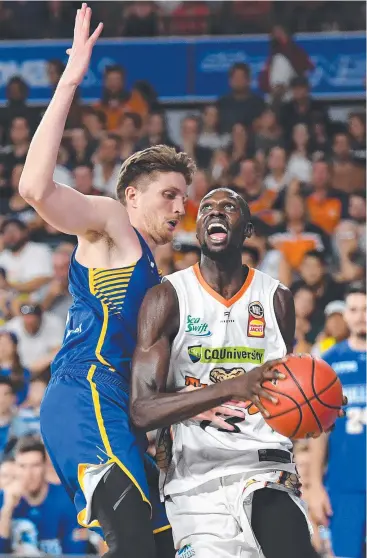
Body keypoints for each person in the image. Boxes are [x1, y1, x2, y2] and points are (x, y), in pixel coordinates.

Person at [18, 4, 195, 558]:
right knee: (137, 542)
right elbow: (35, 189)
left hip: (117, 405)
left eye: (184, 197)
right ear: (132, 195)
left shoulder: (152, 269)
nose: (180, 207)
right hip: (85, 390)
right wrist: (71, 80)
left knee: (164, 543)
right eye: (169, 194)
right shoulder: (115, 226)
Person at [131, 188, 346, 558]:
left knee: (291, 548)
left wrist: (315, 408)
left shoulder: (277, 298)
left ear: (246, 229)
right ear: (198, 231)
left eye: (229, 207)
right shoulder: (168, 297)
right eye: (207, 209)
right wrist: (235, 386)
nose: (216, 212)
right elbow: (142, 410)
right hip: (192, 479)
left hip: (262, 464)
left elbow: (291, 388)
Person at [307, 285, 366, 558]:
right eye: (354, 310)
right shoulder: (329, 363)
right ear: (345, 315)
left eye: (366, 310)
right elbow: (319, 430)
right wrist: (315, 485)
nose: (361, 316)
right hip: (344, 484)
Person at [0, 435, 88, 555]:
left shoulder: (68, 500)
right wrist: (7, 510)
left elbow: (74, 553)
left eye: (35, 466)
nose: (28, 474)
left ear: (45, 467)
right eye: (22, 466)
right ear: (15, 468)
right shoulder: (4, 499)